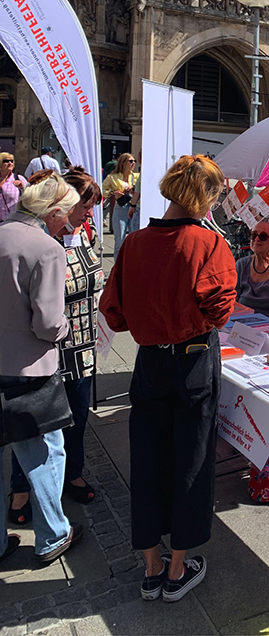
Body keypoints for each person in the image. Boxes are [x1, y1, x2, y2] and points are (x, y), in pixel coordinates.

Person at [99, 155, 236, 603]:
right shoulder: (208, 245)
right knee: (191, 460)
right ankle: (178, 570)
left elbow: (113, 313)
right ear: (205, 195)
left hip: (150, 362)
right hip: (194, 359)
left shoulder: (134, 243)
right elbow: (220, 309)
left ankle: (152, 568)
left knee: (149, 458)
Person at [9, 167, 104, 524]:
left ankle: (71, 476)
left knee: (77, 417)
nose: (88, 215)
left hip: (81, 342)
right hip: (45, 345)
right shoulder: (44, 241)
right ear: (62, 206)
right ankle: (21, 490)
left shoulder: (83, 234)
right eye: (85, 207)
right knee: (32, 426)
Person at [0, 174, 84, 565]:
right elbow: (48, 323)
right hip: (28, 367)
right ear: (52, 213)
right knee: (44, 449)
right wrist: (67, 327)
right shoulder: (46, 249)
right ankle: (52, 534)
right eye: (66, 215)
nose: (68, 222)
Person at [102, 152, 139, 260]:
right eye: (131, 161)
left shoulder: (137, 176)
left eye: (134, 161)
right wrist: (113, 193)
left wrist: (133, 189)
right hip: (121, 207)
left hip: (134, 208)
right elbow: (102, 189)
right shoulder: (113, 177)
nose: (133, 163)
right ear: (123, 163)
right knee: (119, 240)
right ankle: (117, 268)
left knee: (134, 240)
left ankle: (132, 266)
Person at [0, 152, 27, 221]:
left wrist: (22, 188)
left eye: (11, 161)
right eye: (6, 161)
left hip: (12, 221)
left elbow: (30, 196)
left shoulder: (19, 178)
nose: (10, 163)